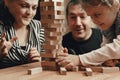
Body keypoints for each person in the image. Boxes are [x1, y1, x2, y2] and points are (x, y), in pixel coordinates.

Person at [56, 0, 120, 70]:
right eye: (91, 16)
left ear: (116, 5)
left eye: (97, 15)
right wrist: (107, 60)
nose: (94, 21)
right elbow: (108, 48)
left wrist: (79, 59)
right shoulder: (107, 27)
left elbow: (117, 47)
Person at [0, 0, 44, 69]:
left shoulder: (39, 27)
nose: (30, 12)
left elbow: (47, 59)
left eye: (34, 8)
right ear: (7, 2)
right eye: (24, 6)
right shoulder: (1, 29)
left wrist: (39, 60)